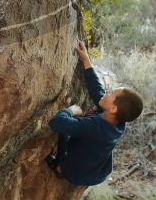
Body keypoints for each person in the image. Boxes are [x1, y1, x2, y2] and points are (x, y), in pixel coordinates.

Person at [45, 40, 144, 186]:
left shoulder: (95, 126)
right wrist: (86, 60)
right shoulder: (118, 120)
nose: (108, 92)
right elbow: (97, 91)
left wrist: (71, 110)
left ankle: (60, 168)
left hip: (78, 175)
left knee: (65, 131)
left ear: (113, 109)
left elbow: (56, 123)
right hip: (99, 171)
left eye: (111, 93)